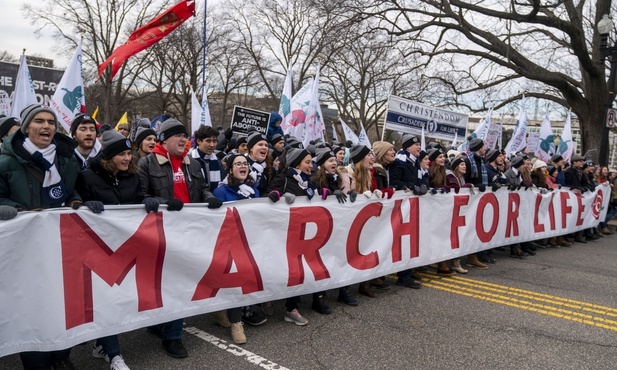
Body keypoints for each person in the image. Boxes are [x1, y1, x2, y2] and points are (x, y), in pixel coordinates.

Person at [0, 104, 88, 370]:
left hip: (61, 246)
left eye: (51, 122)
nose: (47, 126)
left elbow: (72, 192)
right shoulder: (6, 161)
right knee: (32, 305)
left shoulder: (67, 159)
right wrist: (10, 208)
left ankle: (61, 354)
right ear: (27, 128)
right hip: (24, 248)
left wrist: (75, 202)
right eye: (39, 121)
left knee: (63, 302)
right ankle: (35, 358)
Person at [138, 118, 222, 358]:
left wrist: (208, 197)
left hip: (188, 231)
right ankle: (159, 324)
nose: (184, 139)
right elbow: (142, 195)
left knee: (180, 282)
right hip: (159, 233)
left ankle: (172, 336)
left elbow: (202, 188)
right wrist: (165, 203)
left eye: (186, 136)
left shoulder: (192, 164)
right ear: (164, 139)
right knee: (160, 283)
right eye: (178, 135)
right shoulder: (146, 162)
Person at [77, 130, 158, 370]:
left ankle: (102, 344)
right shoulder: (88, 176)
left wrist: (146, 199)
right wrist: (83, 205)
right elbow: (74, 204)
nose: (127, 159)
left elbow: (139, 194)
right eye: (121, 154)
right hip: (99, 248)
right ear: (108, 156)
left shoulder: (132, 176)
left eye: (128, 154)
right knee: (106, 300)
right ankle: (114, 356)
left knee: (122, 298)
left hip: (127, 247)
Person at [212, 154, 262, 344]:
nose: (243, 166)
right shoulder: (221, 192)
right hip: (229, 241)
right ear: (230, 169)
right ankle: (236, 322)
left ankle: (220, 309)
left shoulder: (253, 190)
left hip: (250, 239)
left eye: (245, 164)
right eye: (238, 164)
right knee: (235, 281)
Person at [266, 147, 319, 325]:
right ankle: (269, 297)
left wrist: (327, 196)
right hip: (283, 233)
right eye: (307, 162)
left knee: (297, 270)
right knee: (280, 267)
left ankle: (291, 308)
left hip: (303, 233)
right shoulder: (283, 178)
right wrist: (278, 195)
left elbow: (316, 198)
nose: (311, 166)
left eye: (311, 162)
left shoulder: (309, 182)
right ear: (297, 163)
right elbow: (268, 197)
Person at [311, 148, 359, 306]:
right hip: (323, 227)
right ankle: (319, 297)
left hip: (340, 224)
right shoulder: (315, 179)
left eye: (335, 160)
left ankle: (344, 291)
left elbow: (346, 195)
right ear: (322, 164)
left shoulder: (340, 177)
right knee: (324, 261)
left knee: (343, 256)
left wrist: (353, 195)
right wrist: (328, 195)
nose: (334, 163)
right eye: (330, 160)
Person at [446, 156, 487, 270]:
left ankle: (460, 260)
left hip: (459, 211)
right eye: (462, 164)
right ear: (455, 167)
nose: (465, 166)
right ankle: (454, 262)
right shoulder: (450, 176)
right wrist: (465, 187)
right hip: (452, 212)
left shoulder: (462, 178)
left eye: (465, 164)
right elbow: (456, 190)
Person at [428, 148, 457, 275]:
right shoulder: (430, 171)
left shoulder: (443, 171)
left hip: (440, 207)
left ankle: (442, 263)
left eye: (443, 157)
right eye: (440, 157)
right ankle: (440, 263)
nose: (443, 159)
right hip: (432, 207)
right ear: (434, 159)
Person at [191, 125, 225, 190]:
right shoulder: (190, 160)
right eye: (208, 141)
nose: (212, 145)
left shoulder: (217, 161)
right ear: (198, 141)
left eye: (214, 141)